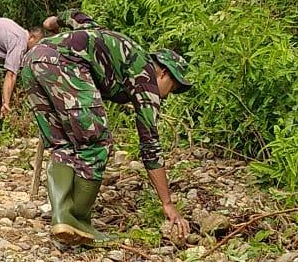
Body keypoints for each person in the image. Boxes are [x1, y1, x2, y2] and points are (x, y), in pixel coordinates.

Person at [19, 24, 193, 247]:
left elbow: (79, 18)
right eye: (173, 87)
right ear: (164, 73)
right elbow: (150, 144)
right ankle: (78, 222)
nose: (168, 96)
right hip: (64, 65)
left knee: (62, 145)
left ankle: (62, 220)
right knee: (96, 143)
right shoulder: (147, 77)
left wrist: (54, 21)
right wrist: (167, 203)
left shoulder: (128, 53)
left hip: (33, 60)